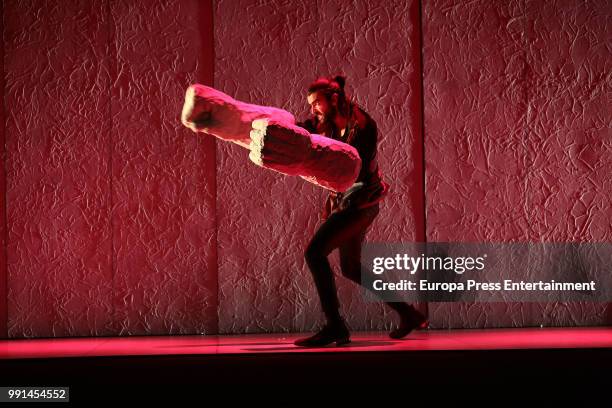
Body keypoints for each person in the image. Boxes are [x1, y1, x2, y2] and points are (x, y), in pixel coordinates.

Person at [293, 75, 427, 347]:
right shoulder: (326, 122)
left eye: (316, 103)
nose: (313, 110)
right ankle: (408, 313)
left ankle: (335, 327)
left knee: (314, 253)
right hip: (347, 203)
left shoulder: (363, 127)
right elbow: (303, 130)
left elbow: (350, 169)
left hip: (360, 204)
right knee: (351, 267)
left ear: (333, 100)